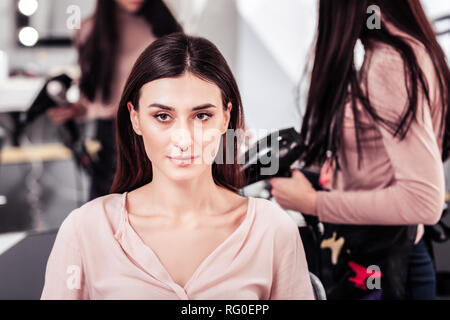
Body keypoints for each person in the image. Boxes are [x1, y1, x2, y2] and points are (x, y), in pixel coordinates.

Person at [40, 33, 315, 300]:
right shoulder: (86, 229)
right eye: (162, 116)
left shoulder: (272, 230)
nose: (183, 139)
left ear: (225, 118)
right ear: (135, 118)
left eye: (202, 116)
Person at [269, 0, 449, 299]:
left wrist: (313, 203)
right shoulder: (407, 50)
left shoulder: (390, 63)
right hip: (382, 261)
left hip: (386, 271)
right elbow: (384, 159)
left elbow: (423, 200)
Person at [47, 0, 182, 200]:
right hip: (112, 141)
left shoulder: (167, 28)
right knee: (107, 218)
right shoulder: (89, 31)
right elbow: (94, 97)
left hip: (161, 135)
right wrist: (76, 111)